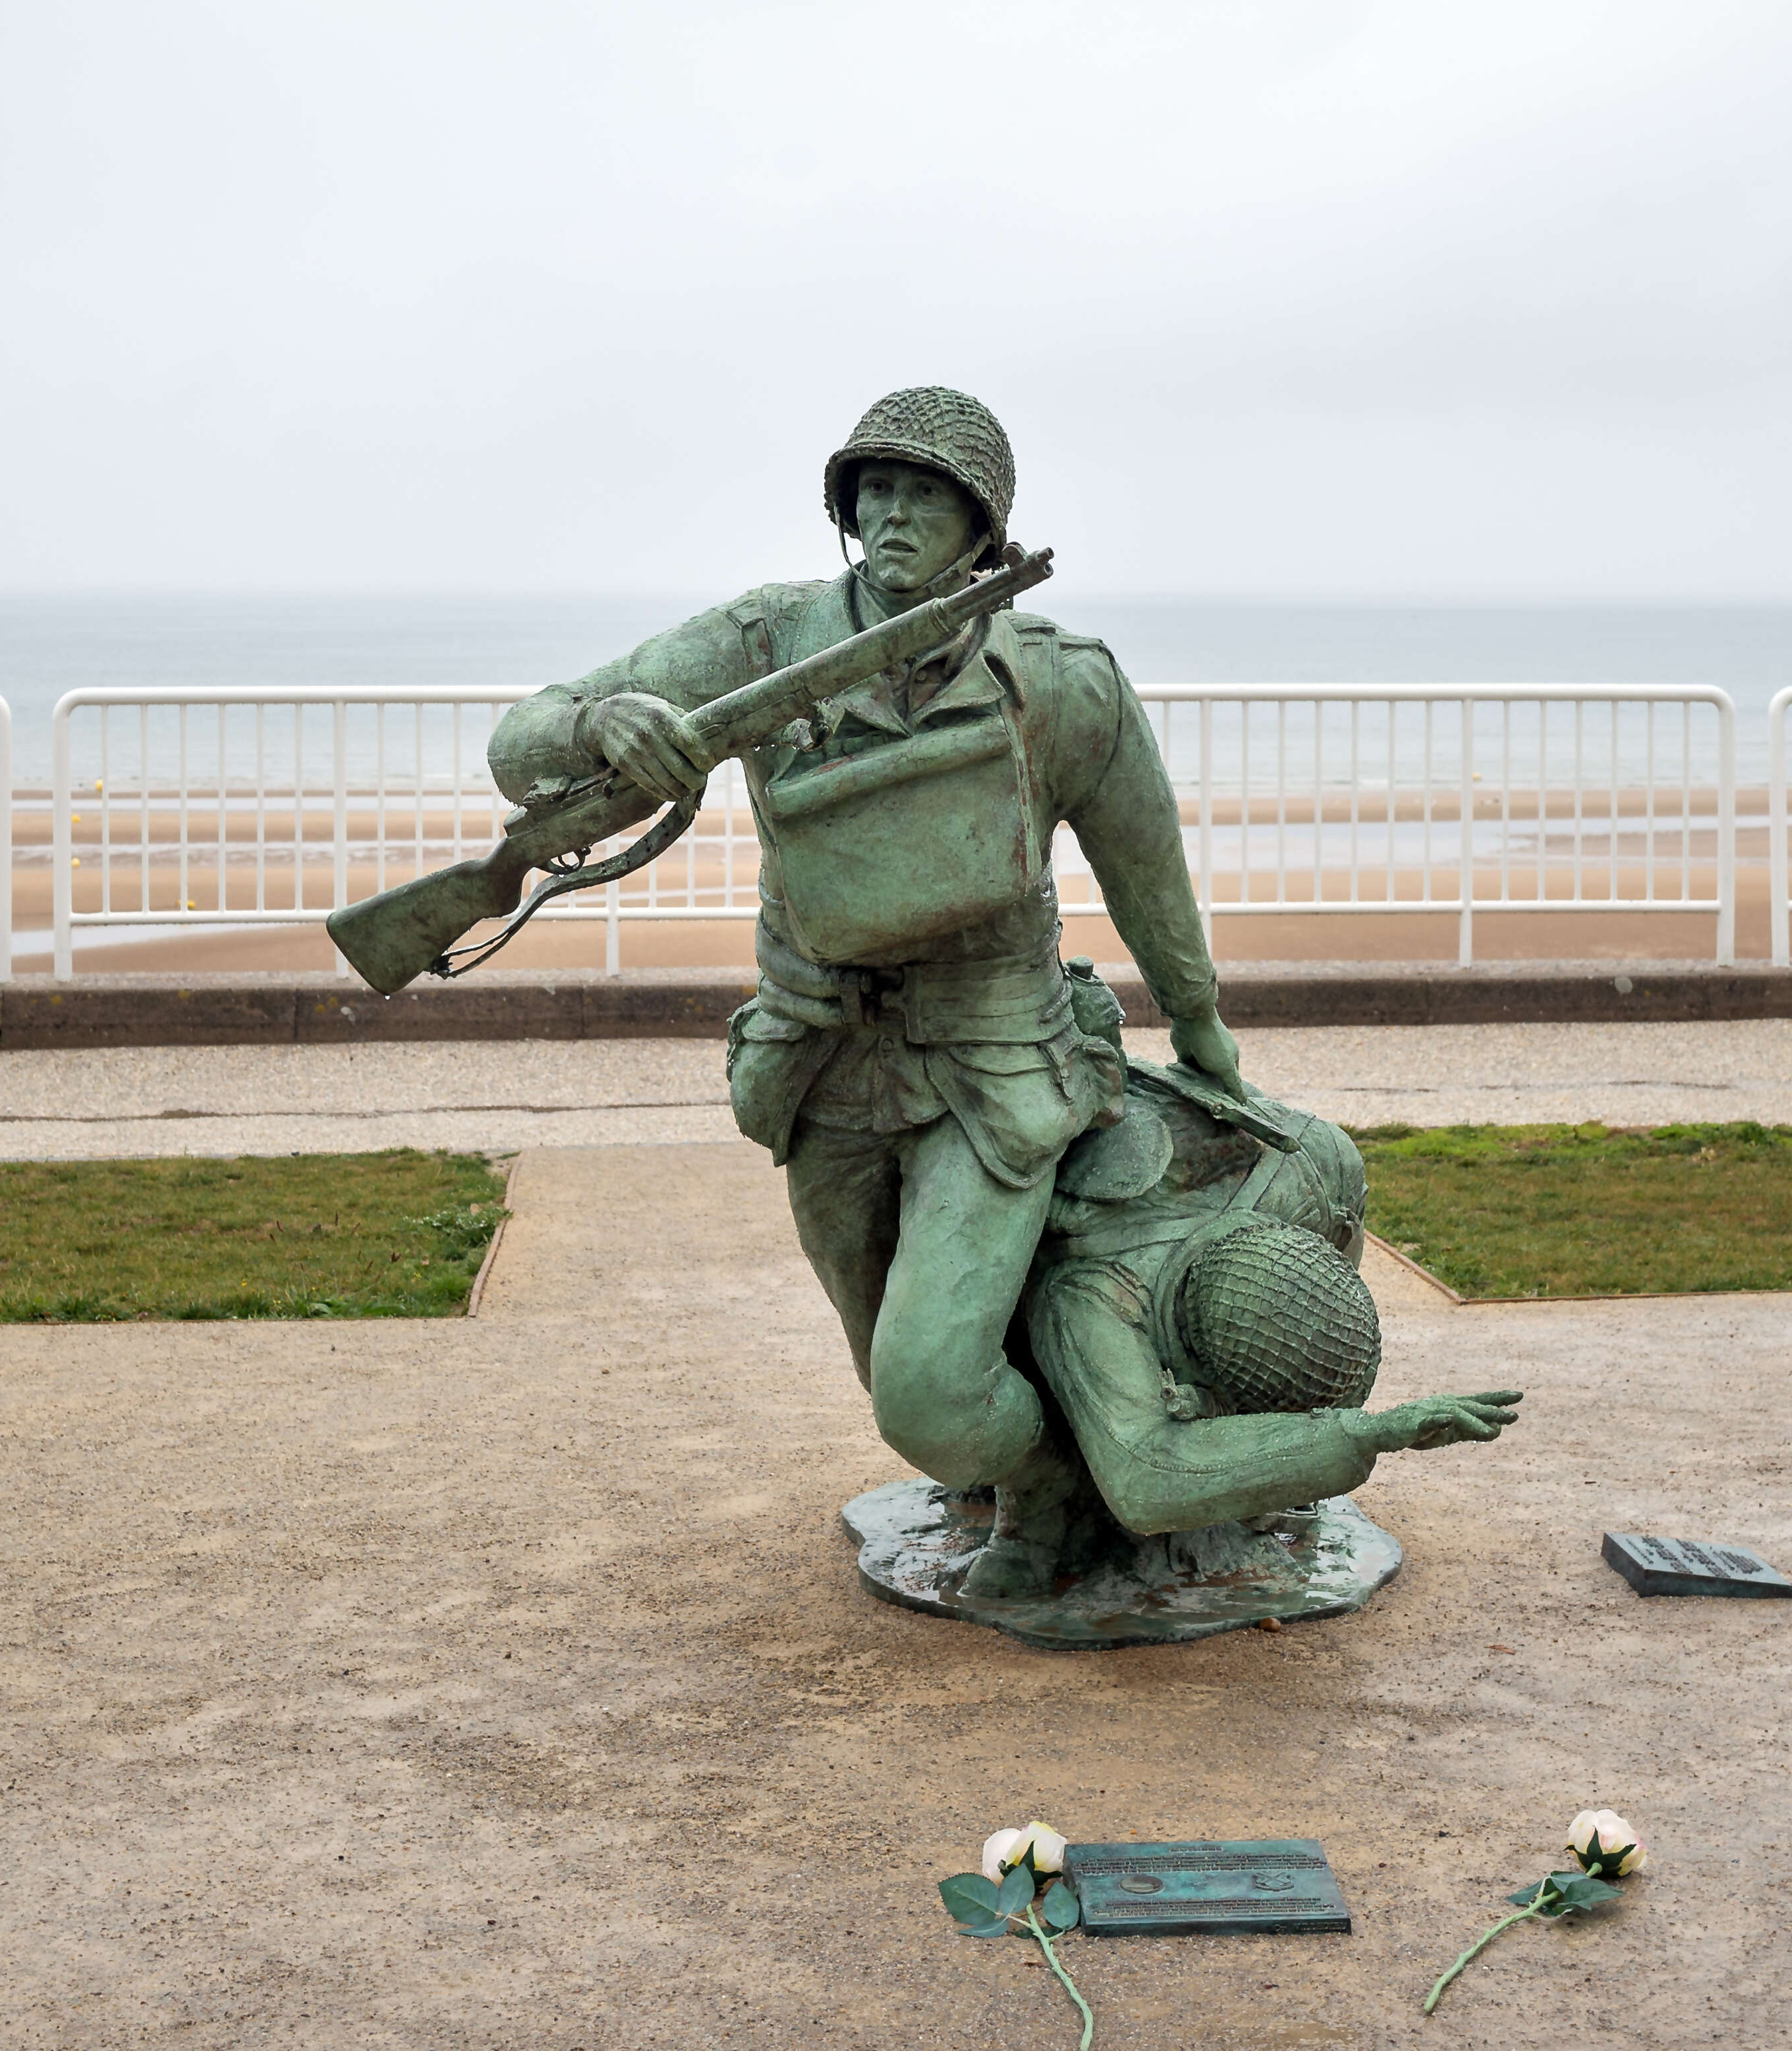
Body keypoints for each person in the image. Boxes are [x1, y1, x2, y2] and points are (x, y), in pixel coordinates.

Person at [487, 388, 1238, 1592]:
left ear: (981, 526)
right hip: (819, 1060)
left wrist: (1198, 1023)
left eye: (924, 494)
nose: (892, 512)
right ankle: (1020, 1467)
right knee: (881, 1357)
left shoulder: (1060, 681)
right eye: (874, 490)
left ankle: (1050, 1486)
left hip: (992, 1059)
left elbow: (1145, 865)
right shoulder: (766, 638)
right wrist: (602, 719)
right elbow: (524, 739)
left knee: (929, 1393)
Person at [996, 994, 1524, 1587]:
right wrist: (1361, 1433)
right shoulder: (1092, 1296)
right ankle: (1038, 1500)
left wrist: (1324, 1433)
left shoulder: (1320, 1166)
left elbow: (1336, 1268)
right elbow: (1144, 1479)